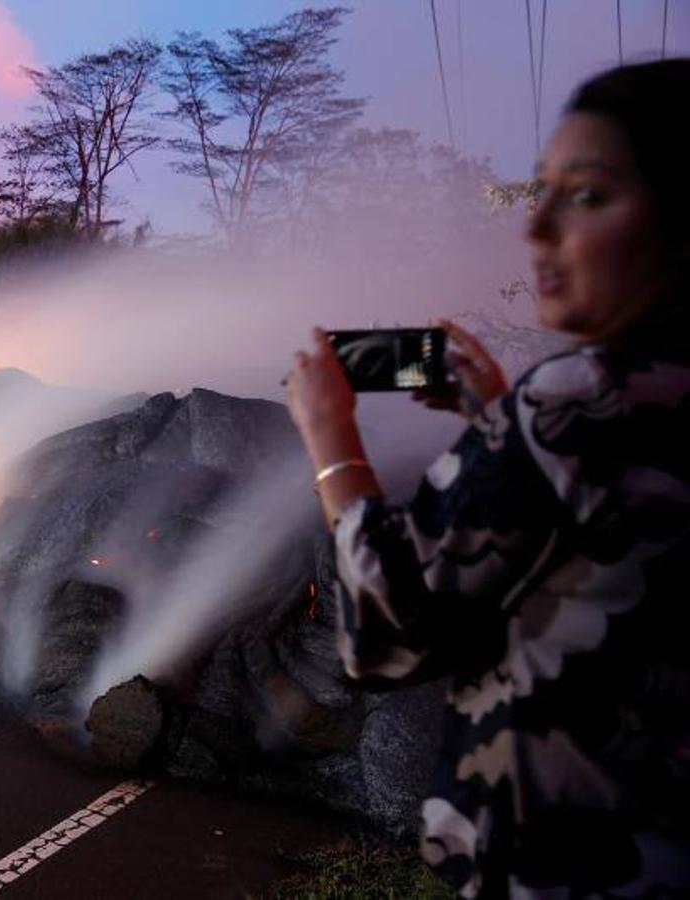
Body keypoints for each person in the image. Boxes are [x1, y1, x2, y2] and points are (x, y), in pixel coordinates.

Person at [285, 60, 690, 897]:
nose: (534, 226)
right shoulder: (625, 403)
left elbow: (382, 638)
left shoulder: (576, 400)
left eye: (585, 194)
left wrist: (332, 440)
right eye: (539, 190)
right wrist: (496, 424)